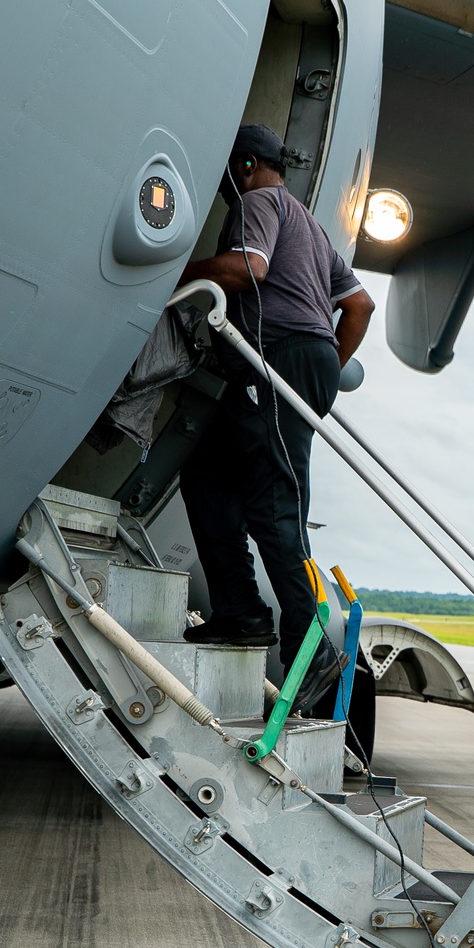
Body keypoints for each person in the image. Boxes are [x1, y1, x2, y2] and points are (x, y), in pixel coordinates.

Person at [176, 124, 376, 705]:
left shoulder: (256, 202)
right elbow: (358, 305)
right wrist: (325, 371)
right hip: (299, 364)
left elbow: (249, 269)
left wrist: (182, 272)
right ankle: (240, 610)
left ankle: (312, 654)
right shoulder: (309, 225)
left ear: (244, 167)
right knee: (208, 476)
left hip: (281, 358)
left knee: (275, 509)